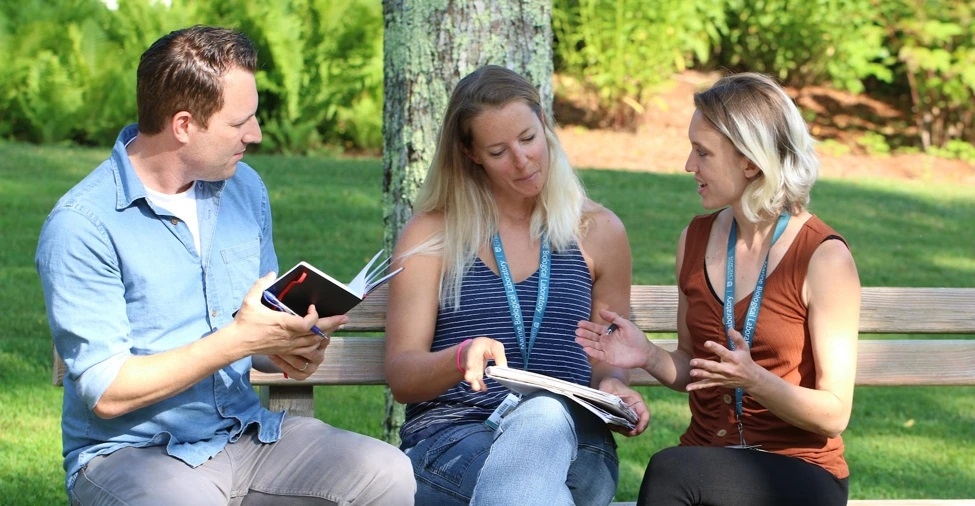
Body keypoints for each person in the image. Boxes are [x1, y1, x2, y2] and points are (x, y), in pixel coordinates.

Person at [36, 25, 414, 505]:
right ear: (183, 125)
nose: (254, 135)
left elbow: (256, 333)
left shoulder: (244, 188)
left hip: (245, 435)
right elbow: (108, 391)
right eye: (239, 124)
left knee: (387, 472)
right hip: (134, 453)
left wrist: (288, 347)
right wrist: (238, 340)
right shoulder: (82, 225)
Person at [575, 72, 861, 506]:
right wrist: (649, 355)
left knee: (672, 471)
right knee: (680, 471)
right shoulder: (694, 239)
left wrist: (757, 380)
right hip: (707, 460)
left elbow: (835, 413)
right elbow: (697, 367)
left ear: (751, 161)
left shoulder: (823, 257)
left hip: (799, 469)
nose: (690, 165)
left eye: (703, 152)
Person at [383, 64, 651, 506]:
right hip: (455, 439)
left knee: (545, 416)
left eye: (528, 139)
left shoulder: (599, 231)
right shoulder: (433, 234)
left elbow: (607, 358)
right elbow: (403, 378)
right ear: (470, 154)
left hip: (577, 442)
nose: (523, 160)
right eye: (498, 151)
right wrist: (459, 357)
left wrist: (613, 387)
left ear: (543, 122)